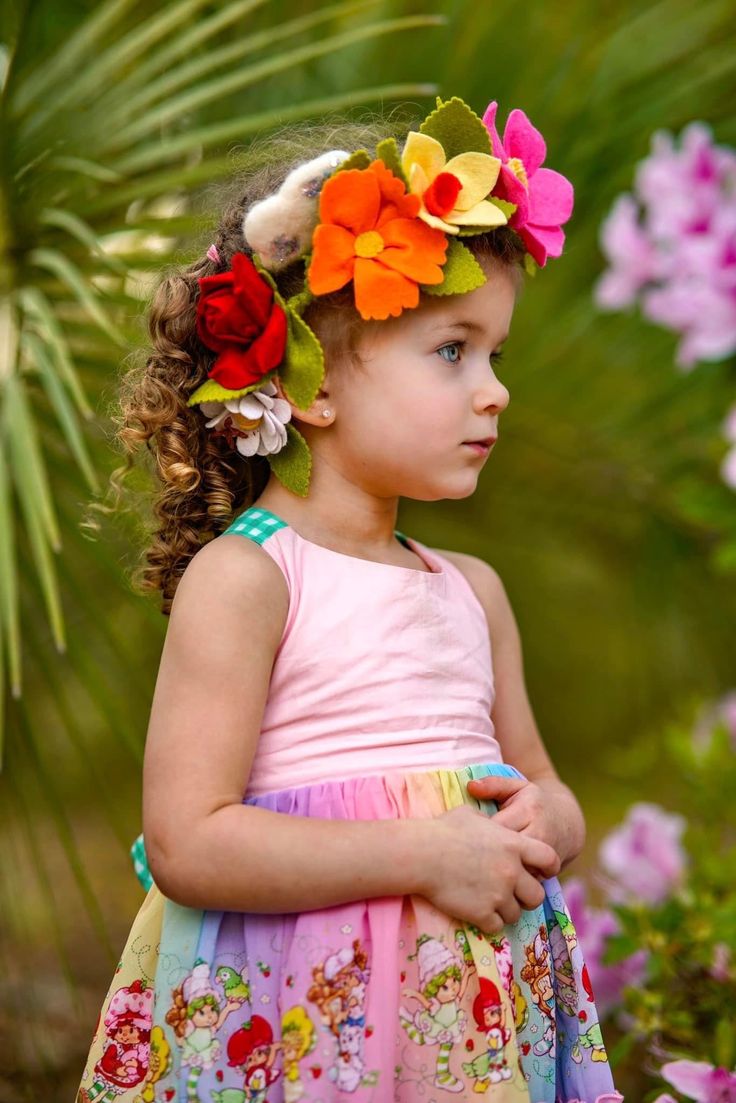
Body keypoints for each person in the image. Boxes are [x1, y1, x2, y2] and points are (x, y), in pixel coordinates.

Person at [77, 94, 622, 1103]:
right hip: (303, 1023)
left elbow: (551, 789)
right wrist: (424, 849)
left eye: (494, 353)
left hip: (463, 1025)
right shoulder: (249, 578)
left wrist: (542, 818)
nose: (494, 388)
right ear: (312, 386)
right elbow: (191, 839)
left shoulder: (472, 591)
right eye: (452, 350)